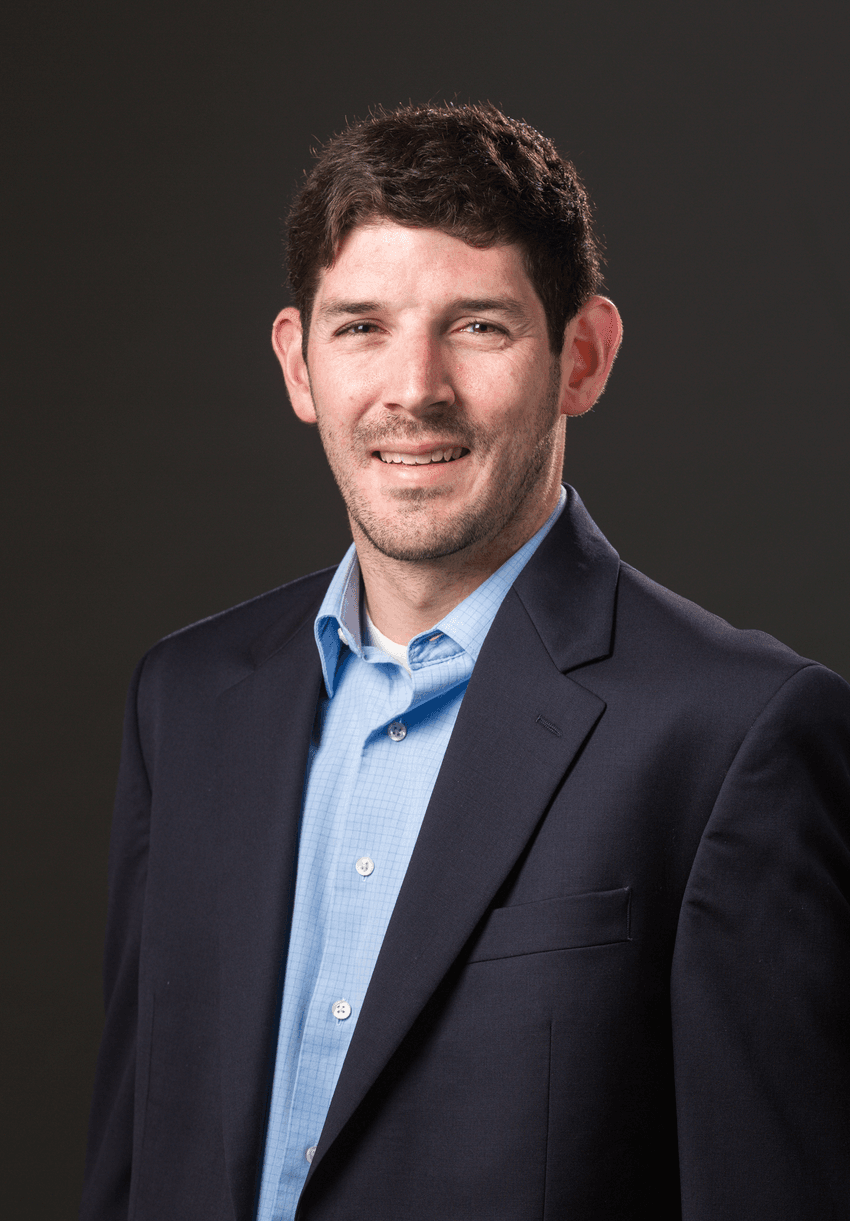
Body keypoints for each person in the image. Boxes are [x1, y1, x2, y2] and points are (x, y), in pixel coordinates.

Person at [80, 103, 850, 1221]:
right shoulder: (188, 703)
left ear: (580, 357)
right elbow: (133, 1162)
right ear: (299, 365)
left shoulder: (739, 738)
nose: (414, 388)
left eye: (478, 326)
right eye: (361, 328)